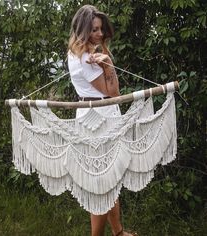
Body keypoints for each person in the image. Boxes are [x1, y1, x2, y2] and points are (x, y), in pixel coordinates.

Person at [67, 5, 137, 236]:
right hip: (97, 119)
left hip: (98, 116)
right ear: (83, 30)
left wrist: (104, 61)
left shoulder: (81, 53)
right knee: (102, 184)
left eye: (100, 29)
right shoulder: (86, 58)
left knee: (109, 179)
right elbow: (114, 92)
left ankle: (118, 232)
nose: (99, 34)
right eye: (94, 29)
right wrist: (108, 64)